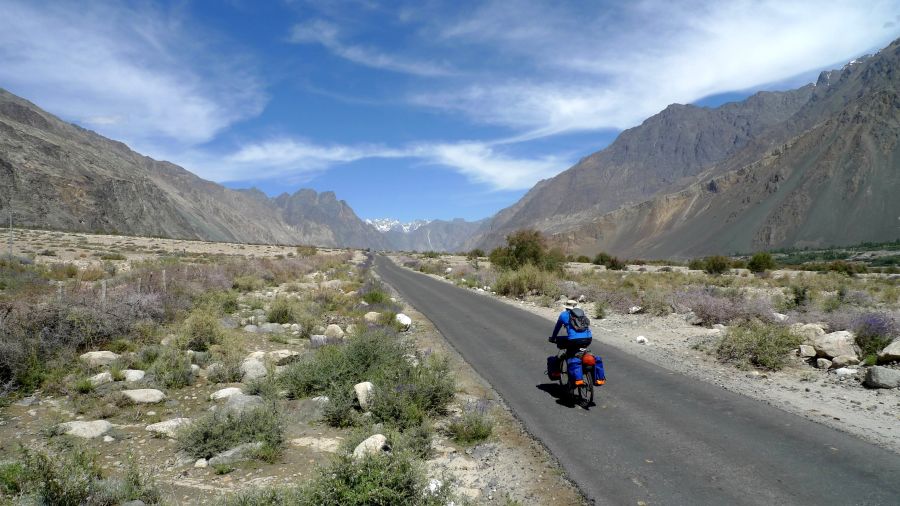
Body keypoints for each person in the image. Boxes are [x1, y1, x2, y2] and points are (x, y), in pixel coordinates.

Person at [550, 300, 604, 386]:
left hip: (573, 341)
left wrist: (553, 338)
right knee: (583, 351)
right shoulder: (582, 314)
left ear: (566, 307)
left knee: (569, 355)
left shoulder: (563, 315)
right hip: (588, 339)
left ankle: (573, 379)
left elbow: (557, 328)